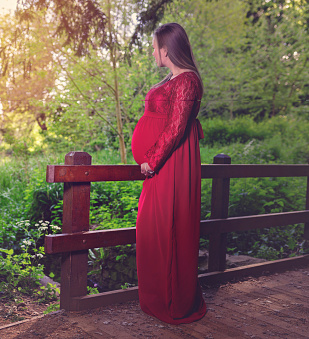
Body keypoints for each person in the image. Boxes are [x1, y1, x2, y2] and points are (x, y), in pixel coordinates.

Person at [131, 22, 207, 324]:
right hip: (163, 164)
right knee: (151, 229)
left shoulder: (187, 80)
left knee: (168, 228)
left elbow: (176, 128)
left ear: (166, 49)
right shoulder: (173, 78)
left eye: (154, 46)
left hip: (171, 164)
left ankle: (174, 301)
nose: (152, 51)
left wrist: (152, 158)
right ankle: (156, 297)